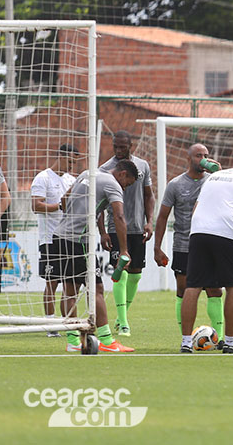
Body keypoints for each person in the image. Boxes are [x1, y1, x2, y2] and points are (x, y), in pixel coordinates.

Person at [179, 155, 233, 354]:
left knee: (193, 286)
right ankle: (231, 343)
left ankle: (185, 343)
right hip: (226, 233)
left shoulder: (213, 177)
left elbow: (196, 208)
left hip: (198, 232)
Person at [52, 160, 139, 352]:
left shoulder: (87, 173)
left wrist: (75, 218)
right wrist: (124, 250)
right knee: (96, 288)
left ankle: (73, 341)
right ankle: (107, 341)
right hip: (79, 241)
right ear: (123, 174)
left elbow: (65, 199)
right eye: (129, 184)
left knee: (70, 289)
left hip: (61, 235)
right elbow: (119, 216)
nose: (125, 188)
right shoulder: (113, 184)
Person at [153, 144, 224, 344]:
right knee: (183, 290)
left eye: (206, 155)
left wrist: (220, 173)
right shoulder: (175, 184)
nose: (203, 159)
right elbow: (162, 217)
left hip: (210, 244)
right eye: (199, 155)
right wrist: (157, 247)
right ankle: (185, 337)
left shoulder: (214, 181)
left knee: (214, 290)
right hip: (184, 245)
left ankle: (217, 337)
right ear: (189, 158)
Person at [98, 131, 154, 337]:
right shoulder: (105, 169)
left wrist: (150, 222)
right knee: (120, 270)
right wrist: (103, 231)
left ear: (131, 145)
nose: (118, 150)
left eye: (122, 146)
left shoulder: (143, 166)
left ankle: (122, 316)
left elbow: (149, 196)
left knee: (136, 273)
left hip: (138, 228)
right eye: (115, 146)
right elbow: (99, 205)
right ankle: (123, 322)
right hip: (115, 228)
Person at [30, 144, 78, 337]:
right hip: (50, 239)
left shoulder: (71, 180)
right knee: (52, 282)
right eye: (69, 160)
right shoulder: (43, 178)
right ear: (60, 156)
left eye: (75, 162)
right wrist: (59, 205)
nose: (71, 165)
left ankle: (67, 321)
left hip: (69, 238)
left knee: (70, 283)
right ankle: (50, 325)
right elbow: (36, 206)